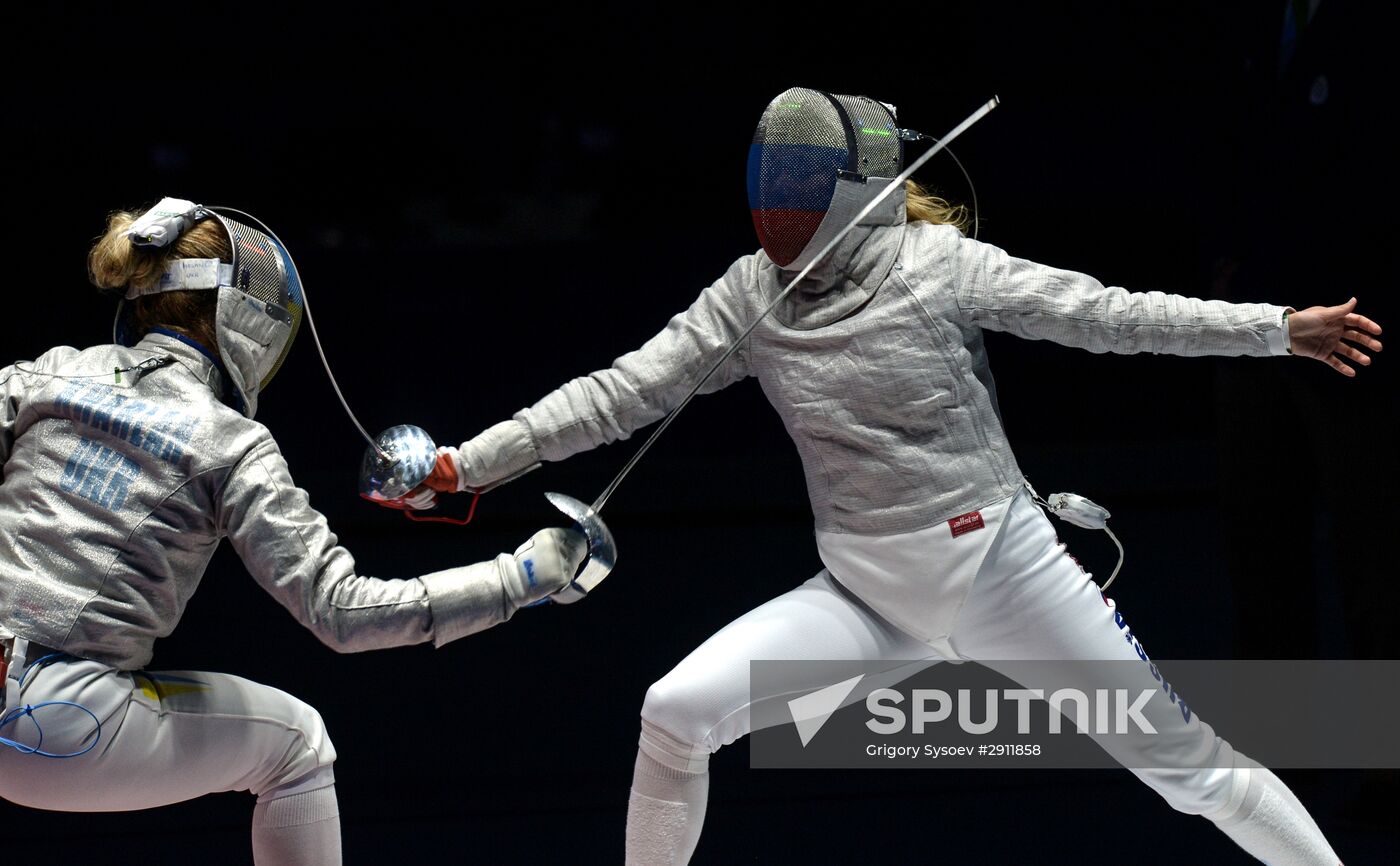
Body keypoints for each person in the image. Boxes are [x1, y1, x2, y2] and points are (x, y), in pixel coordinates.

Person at [421, 88, 1381, 864]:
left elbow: (1112, 316)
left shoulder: (941, 266)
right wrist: (472, 464)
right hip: (866, 593)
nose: (777, 212)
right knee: (673, 713)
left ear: (850, 190)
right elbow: (613, 394)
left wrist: (1275, 329)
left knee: (1194, 774)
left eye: (799, 187)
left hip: (1005, 574)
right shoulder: (749, 296)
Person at [0, 199, 588, 866]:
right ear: (250, 321)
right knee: (297, 745)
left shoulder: (43, 374)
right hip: (56, 730)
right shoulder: (229, 441)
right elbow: (340, 612)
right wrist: (519, 579)